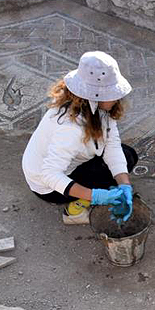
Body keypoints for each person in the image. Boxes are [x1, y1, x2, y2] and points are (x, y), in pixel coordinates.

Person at [22, 51, 136, 225]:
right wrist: (97, 196)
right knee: (106, 177)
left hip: (64, 165)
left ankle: (98, 190)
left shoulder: (99, 109)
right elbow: (50, 175)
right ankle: (75, 211)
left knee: (128, 156)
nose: (118, 97)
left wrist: (125, 185)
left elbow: (112, 145)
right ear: (95, 96)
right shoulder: (70, 128)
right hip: (47, 185)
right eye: (112, 93)